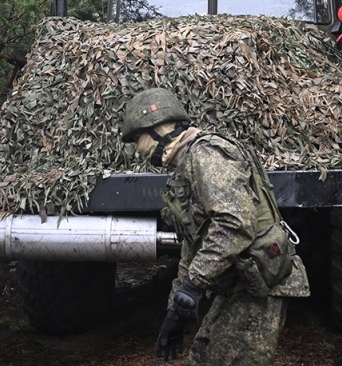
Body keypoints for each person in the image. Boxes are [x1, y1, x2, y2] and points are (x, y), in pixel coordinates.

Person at [121, 88, 310, 365]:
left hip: (257, 288)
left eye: (139, 139)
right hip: (237, 286)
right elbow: (193, 243)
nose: (139, 150)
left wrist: (194, 285)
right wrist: (176, 307)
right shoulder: (186, 167)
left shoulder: (206, 156)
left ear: (159, 129)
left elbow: (234, 224)